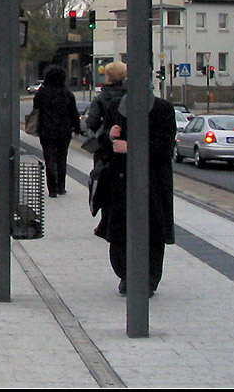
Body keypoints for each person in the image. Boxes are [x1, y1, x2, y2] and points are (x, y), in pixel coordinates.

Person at [90, 65, 177, 296]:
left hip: (153, 184)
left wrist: (131, 147)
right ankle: (126, 275)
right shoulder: (116, 107)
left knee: (152, 232)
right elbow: (103, 141)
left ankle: (147, 279)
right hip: (119, 183)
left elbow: (165, 146)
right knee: (119, 232)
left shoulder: (163, 110)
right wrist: (110, 136)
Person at [32, 65, 81, 197]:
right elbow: (74, 113)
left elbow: (35, 108)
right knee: (61, 157)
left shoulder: (41, 94)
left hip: (46, 130)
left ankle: (52, 188)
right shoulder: (67, 94)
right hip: (64, 130)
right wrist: (77, 128)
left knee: (49, 158)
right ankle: (61, 186)